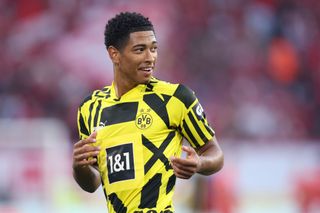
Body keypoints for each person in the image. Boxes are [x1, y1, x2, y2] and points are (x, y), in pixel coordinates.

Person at [72, 12, 224, 213]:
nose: (150, 57)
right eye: (139, 50)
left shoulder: (175, 98)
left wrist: (200, 164)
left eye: (154, 49)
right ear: (114, 54)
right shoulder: (90, 108)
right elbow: (92, 183)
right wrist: (78, 167)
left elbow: (215, 153)